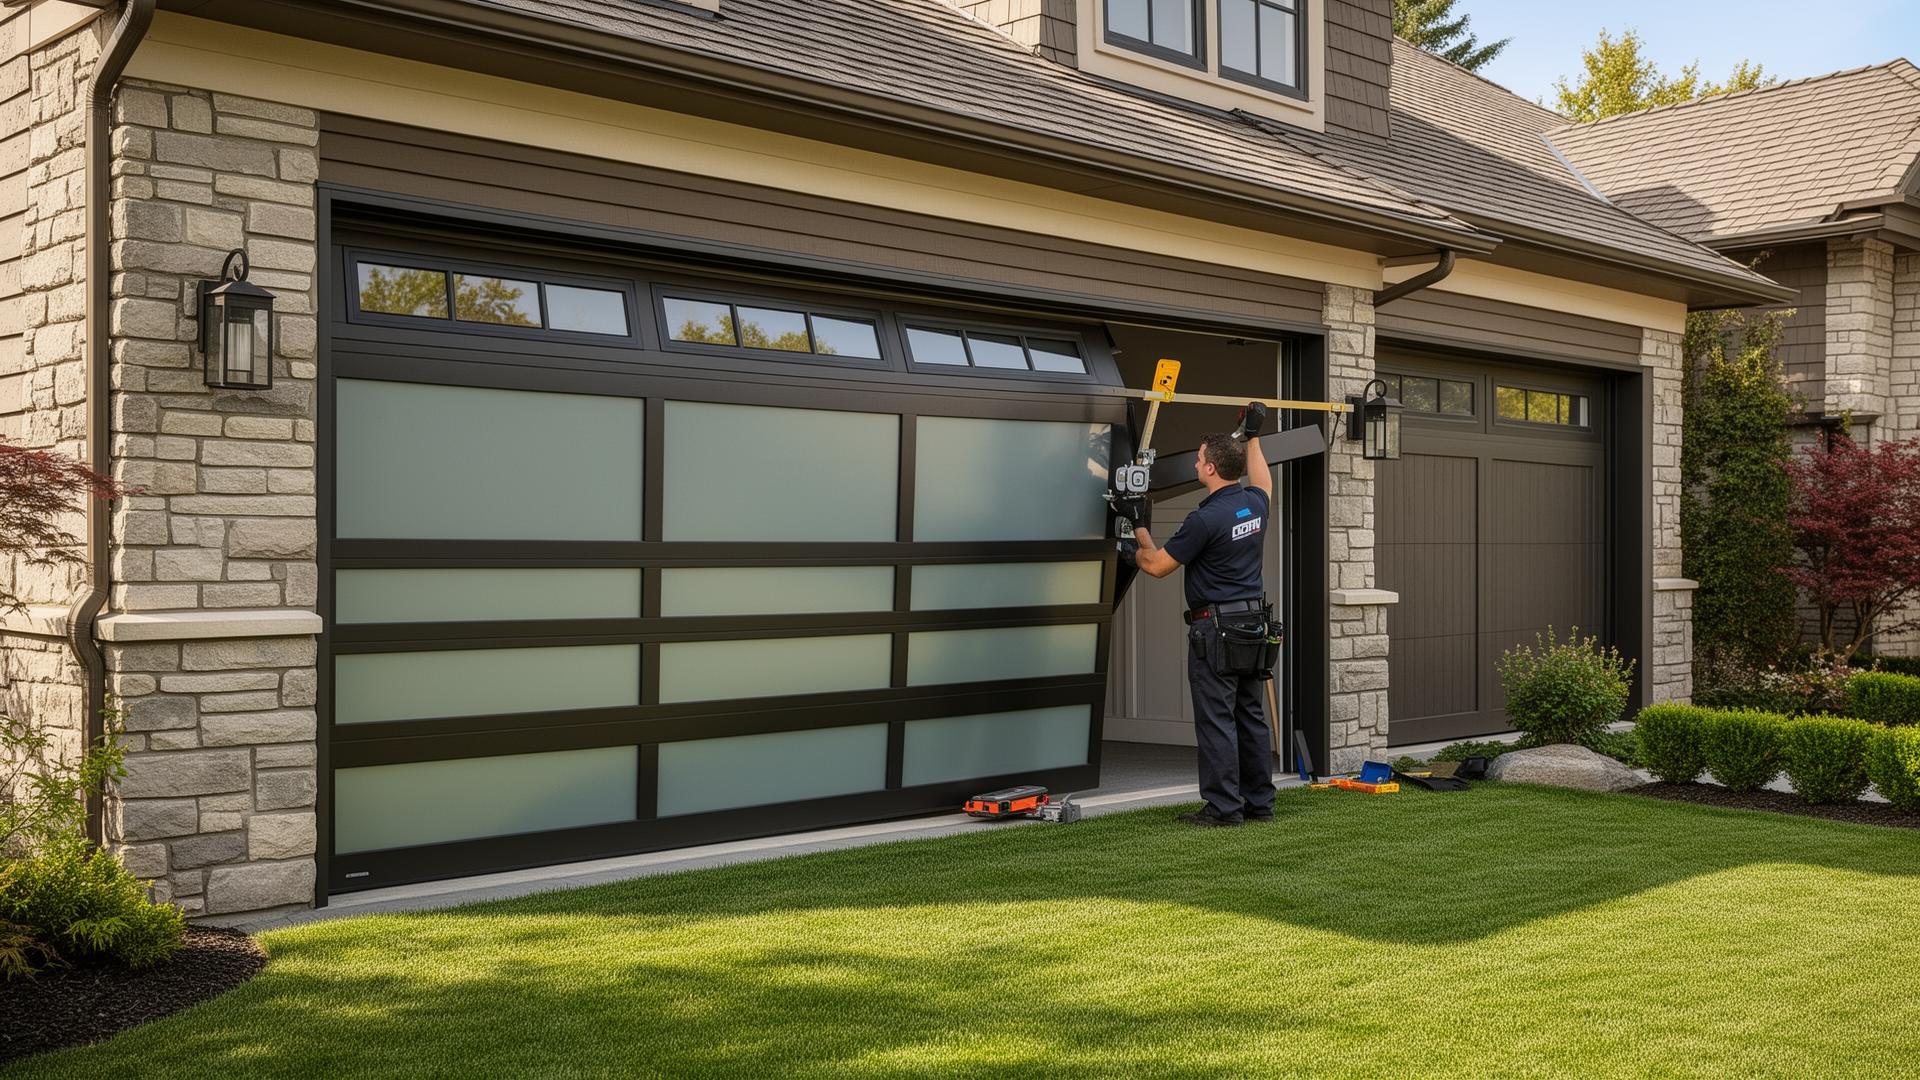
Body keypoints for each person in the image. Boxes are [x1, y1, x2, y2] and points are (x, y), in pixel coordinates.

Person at [1127, 406, 1276, 826]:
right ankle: (1259, 804)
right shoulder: (1253, 504)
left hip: (1215, 631)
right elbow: (1263, 478)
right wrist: (1254, 436)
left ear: (1210, 468)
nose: (1194, 462)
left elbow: (1156, 566)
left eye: (1197, 458)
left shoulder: (1205, 518)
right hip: (1252, 627)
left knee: (1217, 720)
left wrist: (1139, 525)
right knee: (1250, 716)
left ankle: (1225, 809)